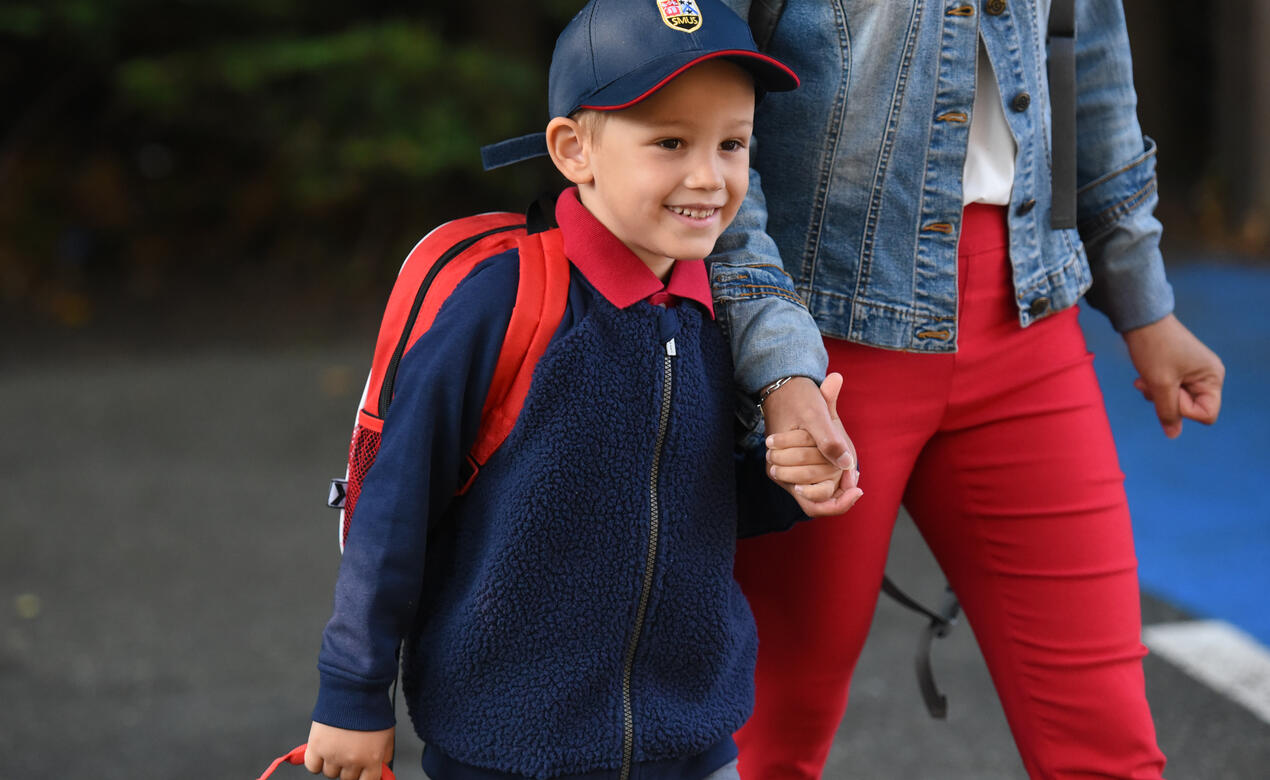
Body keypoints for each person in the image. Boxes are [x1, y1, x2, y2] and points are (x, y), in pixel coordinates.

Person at [298, 2, 817, 779]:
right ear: (575, 150)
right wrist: (351, 694)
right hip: (506, 750)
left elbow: (693, 506)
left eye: (732, 144)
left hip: (694, 743)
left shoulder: (719, 317)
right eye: (670, 142)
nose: (709, 177)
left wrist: (789, 476)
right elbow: (394, 509)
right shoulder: (502, 302)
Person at [709, 1, 1226, 778]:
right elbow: (700, 100)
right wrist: (775, 359)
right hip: (823, 335)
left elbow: (1088, 66)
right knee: (770, 740)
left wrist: (1143, 302)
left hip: (1026, 323)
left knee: (1108, 747)